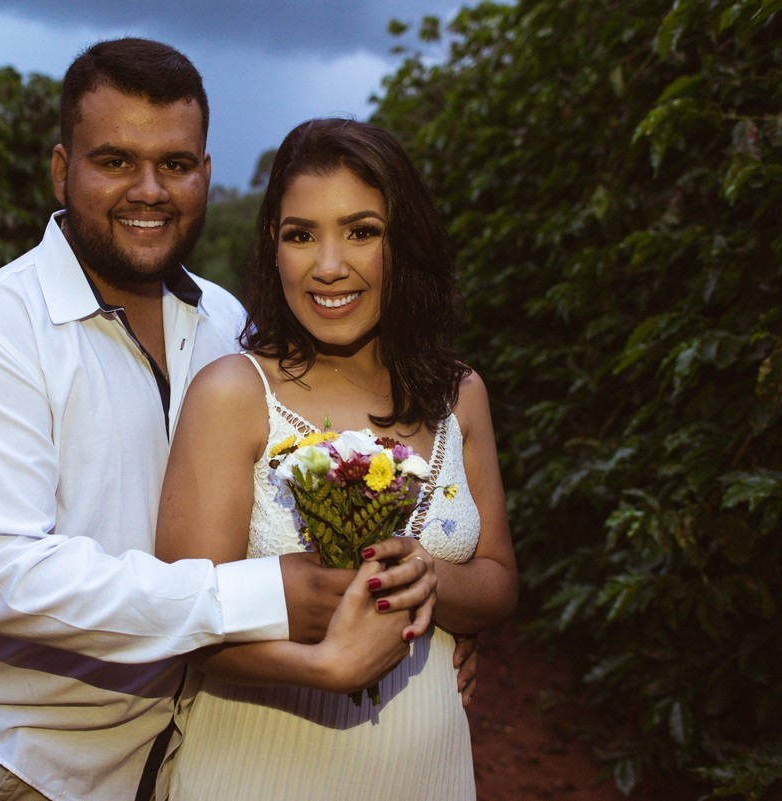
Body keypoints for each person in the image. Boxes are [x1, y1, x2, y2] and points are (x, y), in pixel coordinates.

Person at [0, 40, 466, 801]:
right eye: (114, 160)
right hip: (41, 760)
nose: (149, 189)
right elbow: (0, 574)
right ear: (60, 169)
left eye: (174, 164)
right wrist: (256, 598)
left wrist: (429, 632)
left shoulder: (227, 324)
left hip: (196, 743)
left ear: (206, 173)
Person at [155, 118, 518, 800]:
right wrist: (324, 664)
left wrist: (426, 580)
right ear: (274, 244)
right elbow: (182, 622)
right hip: (260, 769)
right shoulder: (234, 394)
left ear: (402, 240)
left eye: (361, 231)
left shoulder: (459, 395)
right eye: (301, 234)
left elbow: (498, 579)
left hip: (429, 771)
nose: (328, 265)